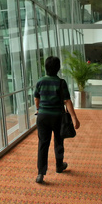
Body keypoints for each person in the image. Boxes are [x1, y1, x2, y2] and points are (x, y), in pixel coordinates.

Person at [34, 56, 80, 184]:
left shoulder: (40, 81)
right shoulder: (61, 82)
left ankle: (40, 174)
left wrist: (39, 109)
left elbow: (36, 99)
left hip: (43, 117)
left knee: (43, 144)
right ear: (58, 68)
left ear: (46, 67)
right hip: (58, 117)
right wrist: (74, 117)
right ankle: (59, 166)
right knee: (59, 142)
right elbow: (67, 101)